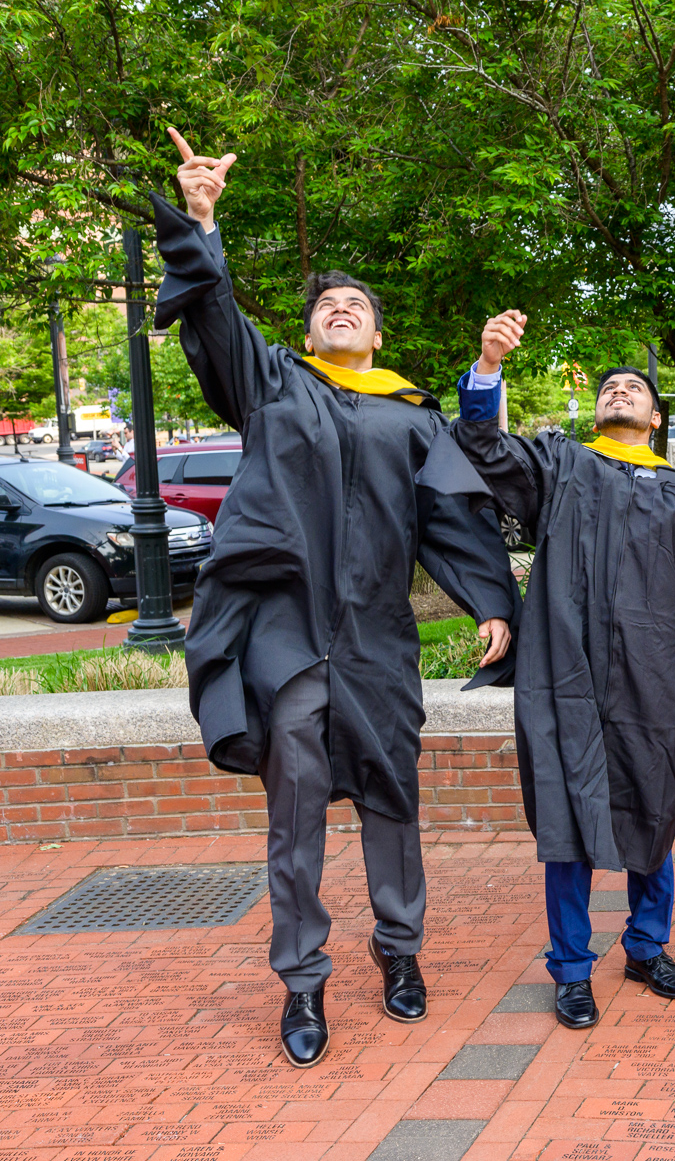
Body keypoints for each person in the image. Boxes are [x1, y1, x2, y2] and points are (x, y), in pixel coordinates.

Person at [152, 129, 520, 1068]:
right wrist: (204, 220)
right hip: (289, 636)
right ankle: (303, 983)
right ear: (311, 329)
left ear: (379, 333)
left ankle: (399, 956)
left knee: (394, 799)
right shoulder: (275, 388)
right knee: (298, 808)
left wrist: (489, 600)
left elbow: (449, 516)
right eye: (329, 305)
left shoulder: (409, 413)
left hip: (378, 641)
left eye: (358, 306)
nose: (342, 311)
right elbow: (219, 319)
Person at [432, 315, 675, 1029]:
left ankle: (647, 947)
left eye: (633, 389)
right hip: (566, 680)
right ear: (599, 409)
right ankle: (572, 968)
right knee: (566, 819)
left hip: (657, 681)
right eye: (610, 386)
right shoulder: (559, 469)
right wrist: (488, 365)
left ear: (655, 416)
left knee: (656, 811)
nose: (620, 390)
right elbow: (486, 449)